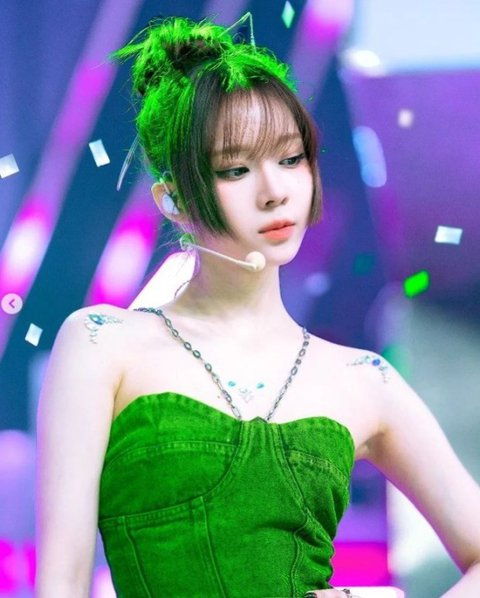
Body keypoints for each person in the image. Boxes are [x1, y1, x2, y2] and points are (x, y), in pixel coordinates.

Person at [35, 14, 480, 598]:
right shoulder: (101, 342)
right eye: (235, 169)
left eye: (291, 159)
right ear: (172, 199)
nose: (274, 191)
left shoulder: (362, 379)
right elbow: (60, 583)